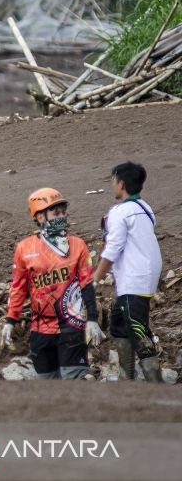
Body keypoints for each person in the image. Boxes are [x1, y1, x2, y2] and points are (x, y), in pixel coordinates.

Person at [2, 188, 104, 380]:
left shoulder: (78, 245)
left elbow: (87, 284)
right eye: (56, 213)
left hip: (72, 326)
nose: (62, 217)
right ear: (40, 217)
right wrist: (10, 320)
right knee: (47, 386)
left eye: (63, 212)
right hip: (40, 329)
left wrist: (92, 318)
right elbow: (18, 287)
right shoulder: (24, 248)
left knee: (73, 380)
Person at [93, 162, 163, 382]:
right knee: (119, 324)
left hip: (135, 281)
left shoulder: (120, 212)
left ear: (121, 184)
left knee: (138, 333)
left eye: (113, 181)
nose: (112, 185)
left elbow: (113, 248)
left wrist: (95, 278)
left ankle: (157, 388)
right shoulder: (145, 207)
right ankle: (127, 380)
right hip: (143, 280)